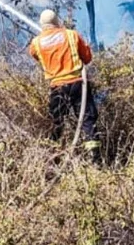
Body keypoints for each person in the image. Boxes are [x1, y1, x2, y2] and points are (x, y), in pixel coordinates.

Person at [27, 9, 99, 154]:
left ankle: (53, 156)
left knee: (57, 122)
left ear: (42, 24)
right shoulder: (72, 35)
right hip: (79, 85)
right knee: (87, 120)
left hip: (57, 88)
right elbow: (87, 58)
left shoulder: (36, 43)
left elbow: (37, 57)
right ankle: (95, 157)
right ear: (57, 22)